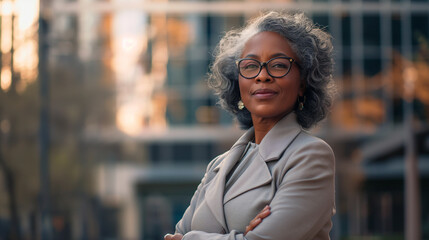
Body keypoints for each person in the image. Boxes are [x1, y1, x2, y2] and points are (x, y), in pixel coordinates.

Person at [164, 11, 336, 240]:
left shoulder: (311, 156)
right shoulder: (219, 165)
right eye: (250, 65)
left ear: (303, 83)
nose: (262, 76)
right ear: (238, 81)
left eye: (278, 65)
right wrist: (240, 237)